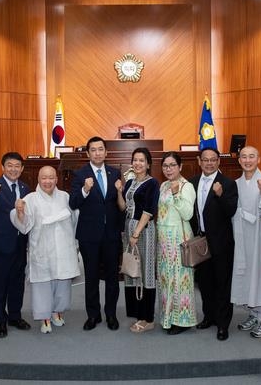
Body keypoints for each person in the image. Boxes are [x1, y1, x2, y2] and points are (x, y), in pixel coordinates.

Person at [10, 166, 80, 334]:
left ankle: (57, 312)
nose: (47, 181)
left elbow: (75, 220)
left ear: (56, 179)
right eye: (44, 178)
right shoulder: (31, 199)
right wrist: (20, 212)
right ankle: (45, 317)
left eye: (51, 178)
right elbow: (24, 225)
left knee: (62, 282)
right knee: (42, 284)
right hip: (42, 248)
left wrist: (74, 243)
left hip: (63, 247)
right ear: (38, 180)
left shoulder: (65, 197)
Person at [69, 136, 124, 331]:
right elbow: (73, 203)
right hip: (89, 236)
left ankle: (111, 314)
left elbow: (120, 205)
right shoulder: (80, 174)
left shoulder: (115, 172)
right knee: (91, 277)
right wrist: (85, 189)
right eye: (93, 150)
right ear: (87, 153)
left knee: (112, 277)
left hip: (111, 235)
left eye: (101, 149)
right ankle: (93, 315)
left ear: (106, 152)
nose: (97, 153)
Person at [189, 147, 238, 341]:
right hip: (200, 241)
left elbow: (231, 211)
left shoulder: (228, 183)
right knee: (204, 282)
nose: (209, 163)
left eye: (213, 160)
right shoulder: (192, 182)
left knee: (222, 283)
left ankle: (223, 324)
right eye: (205, 160)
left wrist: (220, 195)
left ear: (219, 162)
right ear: (199, 161)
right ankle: (208, 316)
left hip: (221, 242)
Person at [0, 152, 31, 338]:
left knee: (17, 282)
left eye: (17, 166)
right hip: (0, 244)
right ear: (3, 167)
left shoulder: (25, 188)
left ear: (22, 168)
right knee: (0, 283)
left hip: (20, 243)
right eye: (9, 165)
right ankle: (0, 320)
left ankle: (15, 316)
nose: (13, 169)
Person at [230, 146, 261, 339]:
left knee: (260, 275)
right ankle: (252, 314)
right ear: (239, 160)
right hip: (241, 236)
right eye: (244, 157)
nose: (247, 160)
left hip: (259, 236)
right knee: (245, 274)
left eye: (252, 157)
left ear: (259, 159)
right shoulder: (235, 184)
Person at [116, 147, 160, 333]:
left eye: (142, 160)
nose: (138, 163)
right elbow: (123, 207)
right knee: (131, 271)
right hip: (128, 228)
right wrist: (119, 191)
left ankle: (148, 318)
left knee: (146, 271)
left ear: (148, 164)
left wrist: (136, 234)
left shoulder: (152, 183)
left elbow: (149, 210)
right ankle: (137, 313)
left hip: (144, 231)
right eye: (135, 160)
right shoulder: (131, 182)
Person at [156, 151, 198, 335]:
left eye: (172, 165)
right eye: (165, 166)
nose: (169, 169)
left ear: (180, 167)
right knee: (166, 281)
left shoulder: (186, 186)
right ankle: (168, 318)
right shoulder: (164, 185)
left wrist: (177, 195)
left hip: (179, 239)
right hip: (164, 240)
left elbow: (188, 214)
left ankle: (182, 320)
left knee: (180, 281)